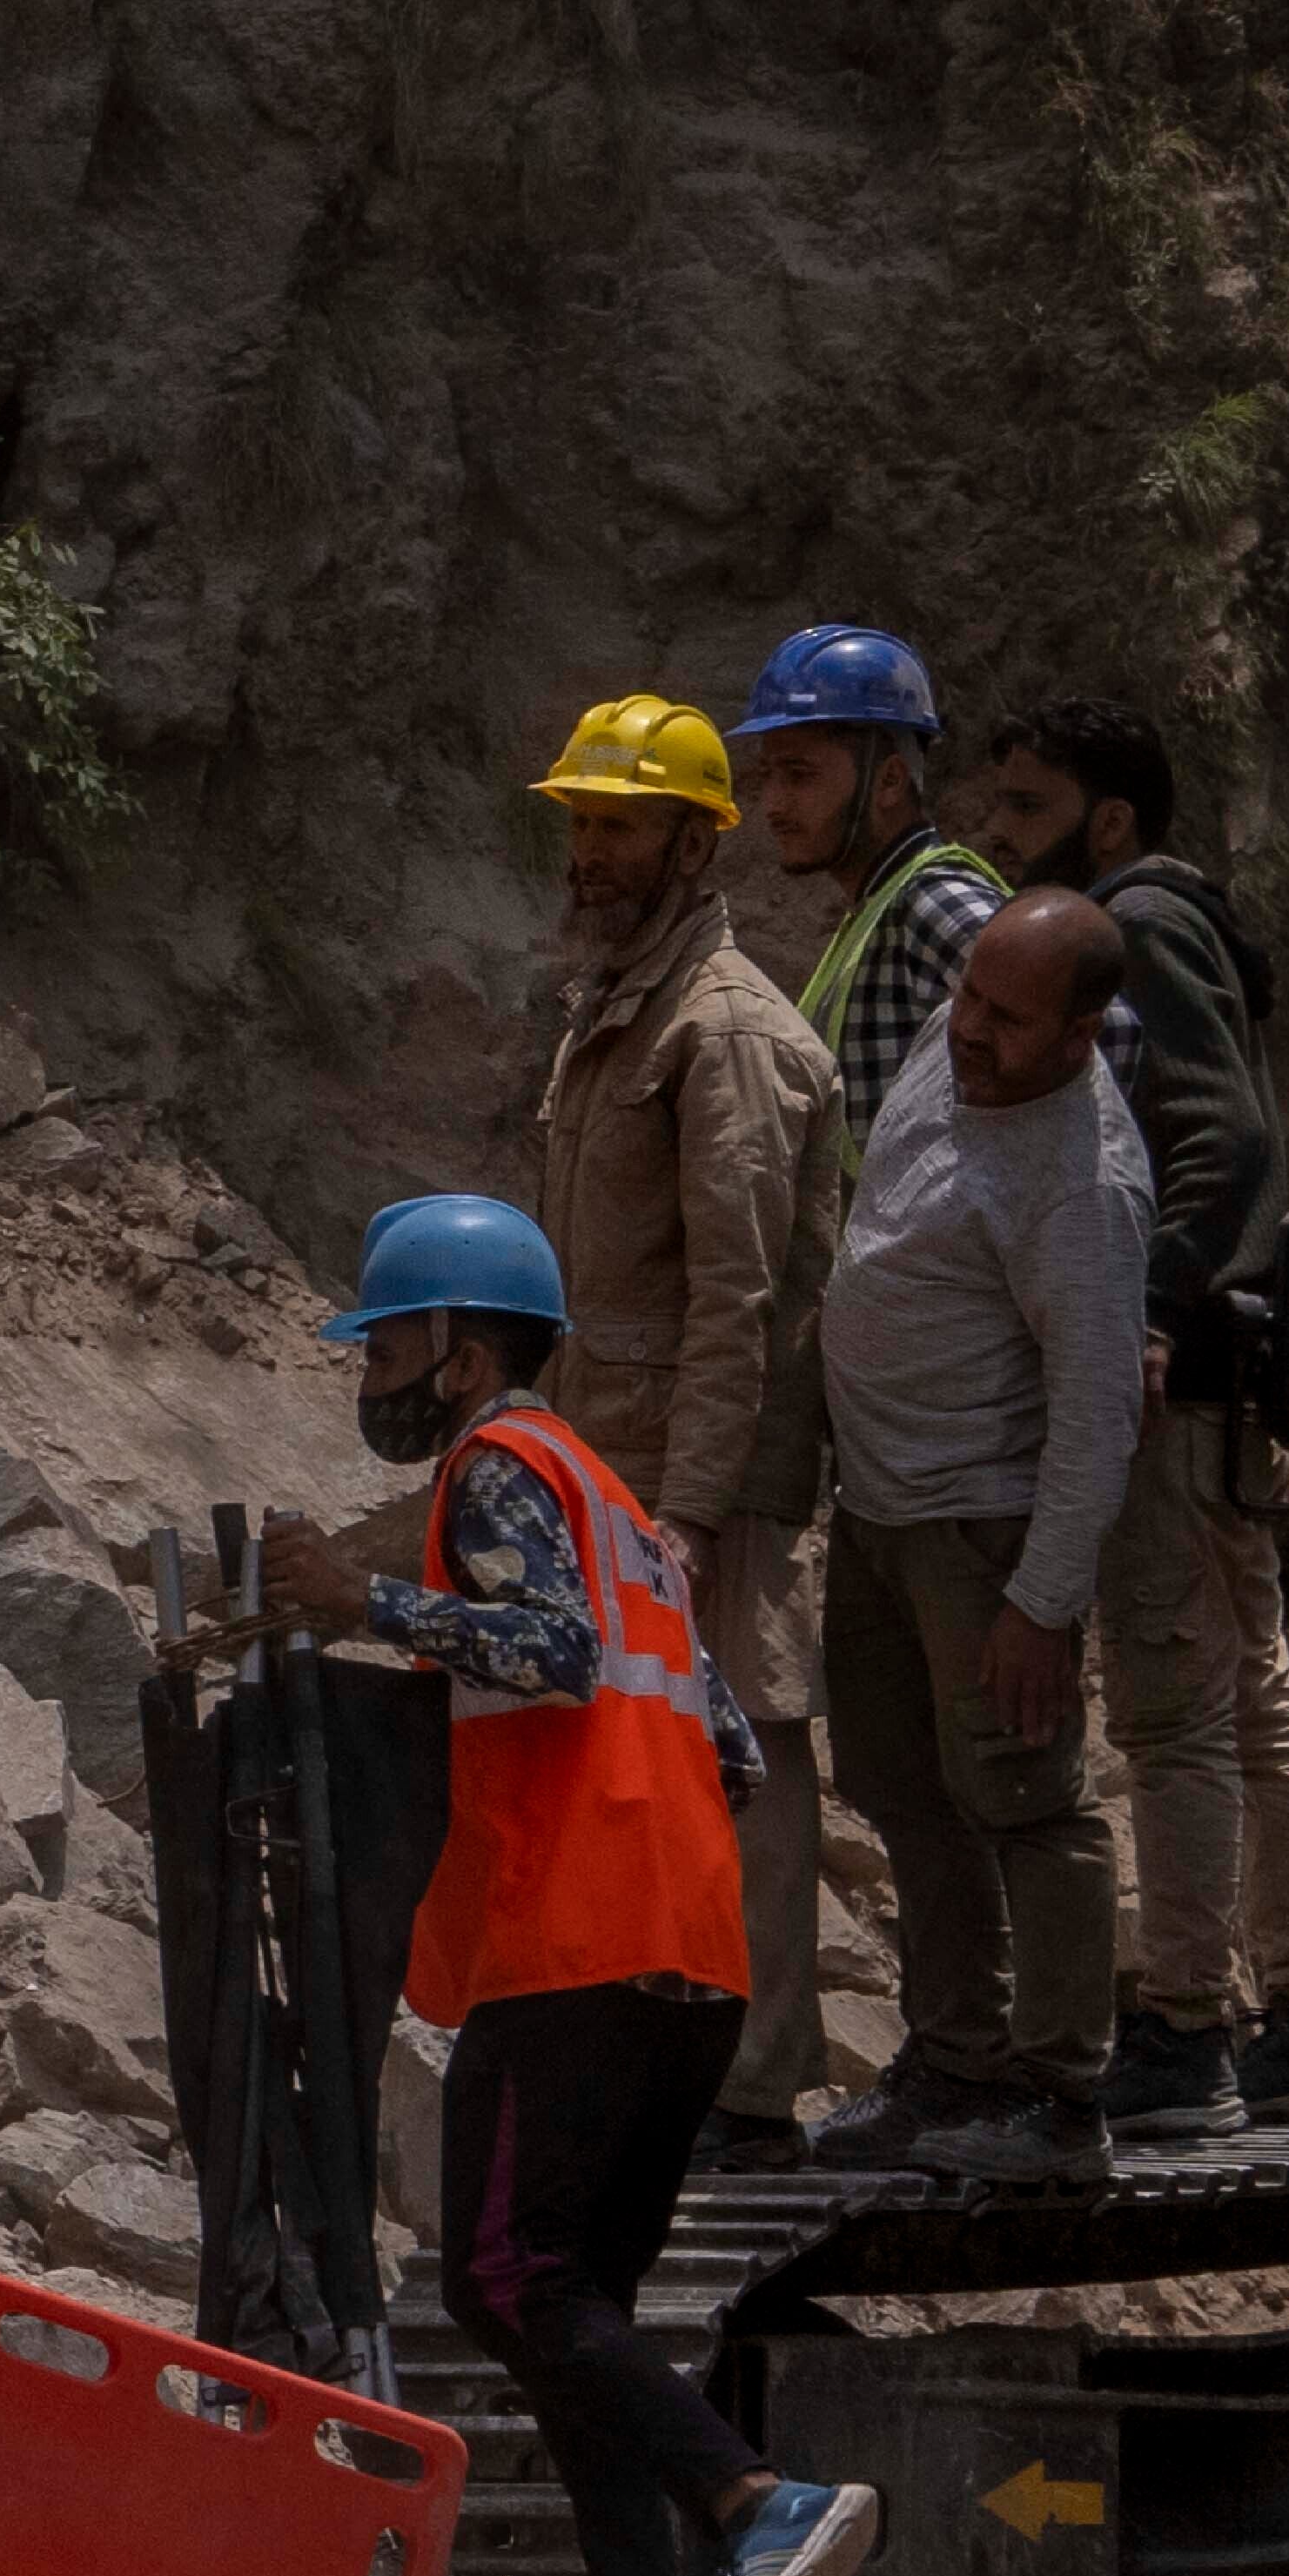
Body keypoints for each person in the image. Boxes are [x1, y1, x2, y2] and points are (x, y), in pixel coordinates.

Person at [242, 1197, 881, 2576]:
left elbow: (550, 1652)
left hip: (578, 1943)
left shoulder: (504, 1471)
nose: (375, 1369)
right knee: (571, 2295)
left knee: (504, 2277)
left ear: (461, 1356)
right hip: (691, 1958)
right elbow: (720, 1744)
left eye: (392, 1340)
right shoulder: (622, 1511)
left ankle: (751, 2503)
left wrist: (361, 1602)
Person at [965, 694, 1289, 2136]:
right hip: (1220, 1379)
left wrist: (1143, 1307)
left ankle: (1188, 2027)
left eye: (1023, 808)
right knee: (1251, 1705)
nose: (996, 835)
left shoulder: (1140, 919)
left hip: (1182, 1381)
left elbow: (1226, 1136)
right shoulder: (1155, 916)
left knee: (1175, 1716)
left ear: (1110, 817)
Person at [519, 691, 846, 2170]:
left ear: (694, 843)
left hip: (704, 1462)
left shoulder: (727, 1033)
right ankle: (660, 2051)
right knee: (641, 1753)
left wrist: (698, 1508)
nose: (591, 850)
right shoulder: (614, 1007)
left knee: (750, 1746)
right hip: (613, 1448)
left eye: (622, 824)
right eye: (581, 820)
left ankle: (760, 2082)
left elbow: (744, 1297)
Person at [809, 892, 1169, 2185]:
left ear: (1084, 1034)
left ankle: (1064, 2098)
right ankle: (955, 2056)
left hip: (982, 1525)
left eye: (1007, 1017)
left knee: (1028, 1801)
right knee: (906, 1786)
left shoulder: (1086, 1186)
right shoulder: (949, 1048)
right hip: (878, 1506)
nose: (968, 1029)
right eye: (968, 996)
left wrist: (1042, 1600)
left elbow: (1098, 1408)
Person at [730, 622, 1010, 1140]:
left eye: (800, 774)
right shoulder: (882, 904)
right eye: (768, 775)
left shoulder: (933, 901)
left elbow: (1103, 1031)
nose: (772, 804)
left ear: (889, 780)